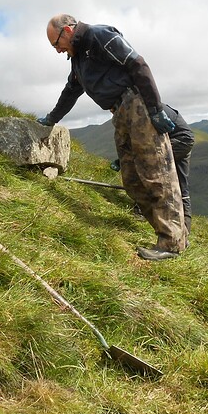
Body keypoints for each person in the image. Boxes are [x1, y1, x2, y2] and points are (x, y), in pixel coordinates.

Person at [37, 14, 186, 260]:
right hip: (119, 113)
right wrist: (52, 118)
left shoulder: (100, 36)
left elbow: (138, 65)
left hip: (137, 105)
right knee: (131, 177)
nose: (57, 50)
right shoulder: (77, 60)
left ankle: (171, 244)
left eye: (56, 43)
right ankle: (170, 234)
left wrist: (155, 109)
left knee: (156, 173)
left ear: (68, 30)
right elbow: (70, 91)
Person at [111, 104, 195, 242]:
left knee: (147, 168)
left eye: (113, 110)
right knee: (181, 186)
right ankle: (183, 235)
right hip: (184, 138)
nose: (112, 113)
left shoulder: (138, 110)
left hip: (179, 140)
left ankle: (143, 210)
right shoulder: (141, 104)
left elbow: (142, 143)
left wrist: (125, 160)